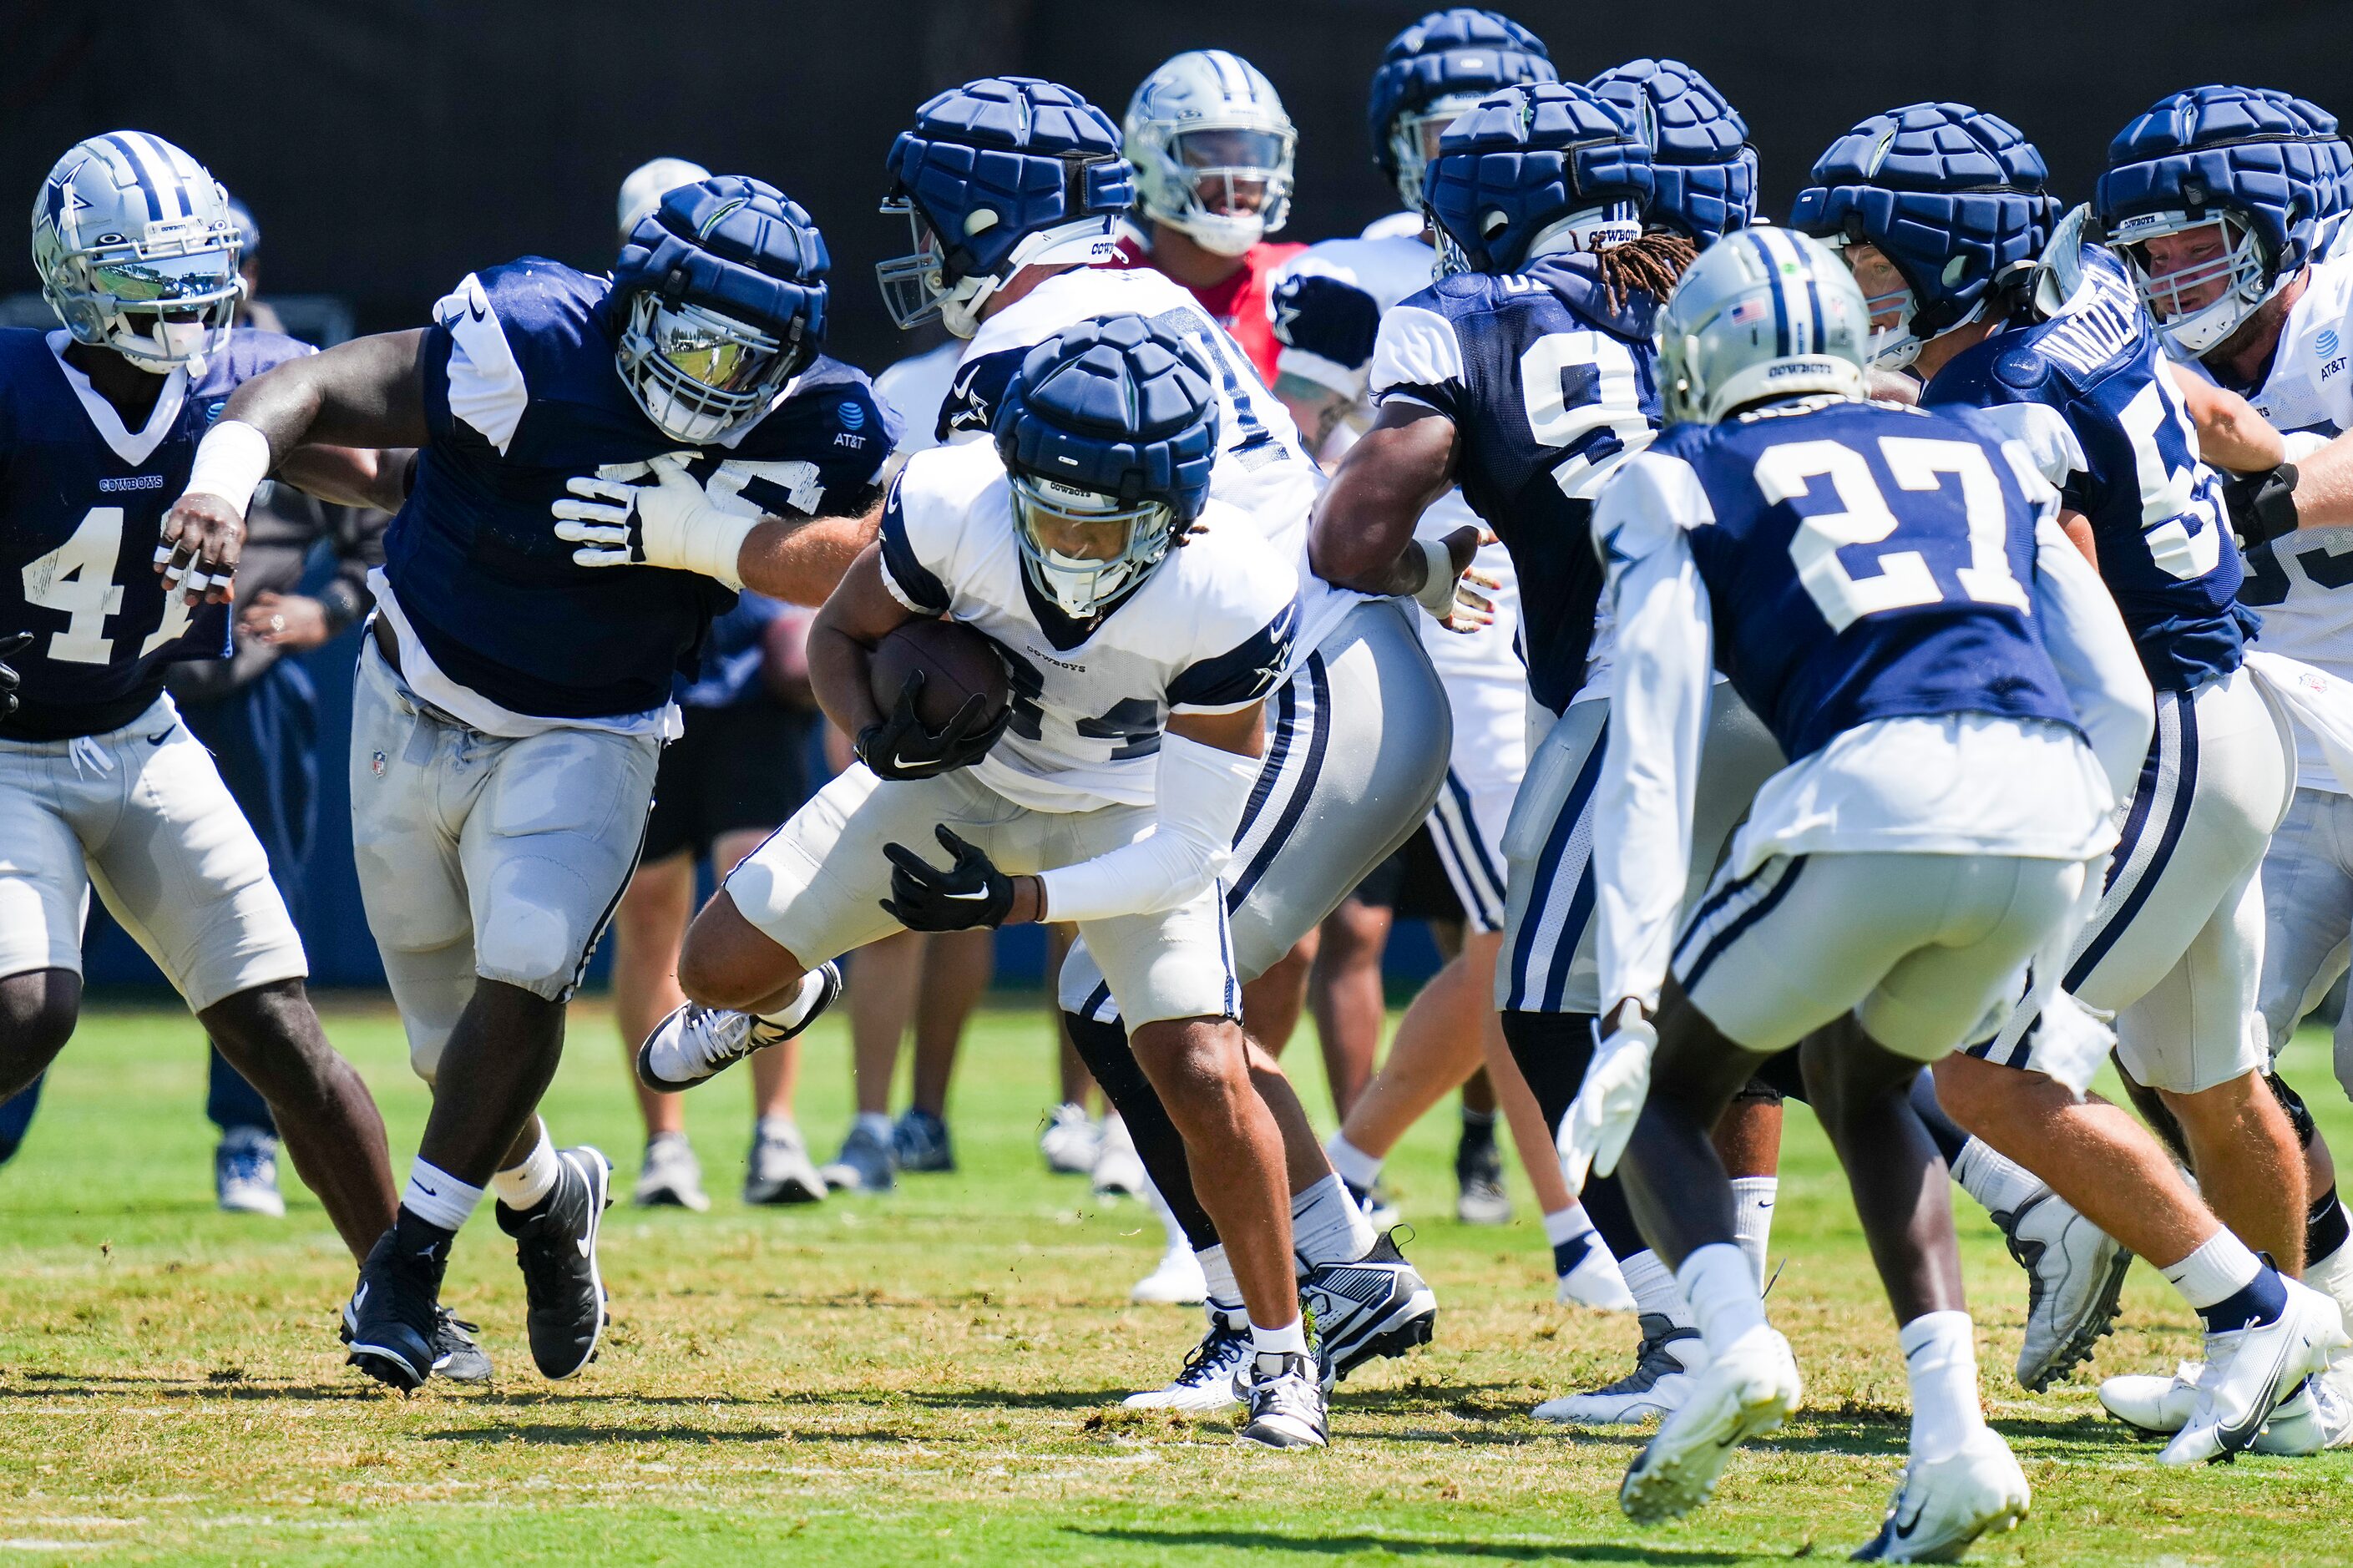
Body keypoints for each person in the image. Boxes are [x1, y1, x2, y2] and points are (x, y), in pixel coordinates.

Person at [169, 175, 893, 1389]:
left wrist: (702, 529)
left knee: (528, 968)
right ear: (634, 299)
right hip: (410, 692)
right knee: (445, 1051)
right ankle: (551, 1200)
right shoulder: (535, 333)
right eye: (695, 335)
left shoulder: (819, 418)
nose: (715, 375)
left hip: (595, 726)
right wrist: (225, 475)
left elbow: (878, 555)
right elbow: (320, 388)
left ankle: (407, 1265)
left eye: (747, 353)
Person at [1572, 226, 2201, 1553]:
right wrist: (2068, 896)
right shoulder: (1979, 441)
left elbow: (1651, 739)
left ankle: (1729, 1341)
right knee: (1860, 1079)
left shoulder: (1674, 472)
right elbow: (2110, 688)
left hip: (1872, 790)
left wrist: (1628, 988)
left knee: (1660, 1100)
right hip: (2044, 807)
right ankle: (1953, 1441)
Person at [645, 314, 1333, 1448]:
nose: (1063, 543)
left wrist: (1013, 906)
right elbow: (838, 637)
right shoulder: (953, 500)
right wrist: (875, 734)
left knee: (1201, 1065)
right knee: (709, 969)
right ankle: (786, 1000)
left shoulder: (1234, 588)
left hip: (1125, 807)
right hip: (954, 776)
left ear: (1177, 515)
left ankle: (1282, 1355)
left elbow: (1186, 854)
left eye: (1096, 523)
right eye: (1045, 506)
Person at [872, 74, 1450, 1410]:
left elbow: (1013, 586)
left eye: (924, 217)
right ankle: (1336, 1264)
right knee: (1148, 998)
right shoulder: (1133, 303)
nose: (912, 245)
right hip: (1322, 674)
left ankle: (1271, 1312)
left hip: (1306, 678)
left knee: (1126, 994)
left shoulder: (1027, 348)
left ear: (980, 212)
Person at [1791, 104, 2353, 1456]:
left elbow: (2066, 583)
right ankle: (2286, 1361)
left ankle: (2249, 1319)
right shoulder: (2090, 330)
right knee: (2212, 1079)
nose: (1852, 291)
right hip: (2241, 707)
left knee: (1982, 1067)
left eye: (1874, 265)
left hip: (2166, 728)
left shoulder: (2005, 386)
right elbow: (2201, 412)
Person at [1308, 79, 1794, 1428]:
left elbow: (1344, 540)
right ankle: (1728, 1292)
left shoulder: (1465, 310)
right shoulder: (1725, 289)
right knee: (1743, 1004)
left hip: (1622, 690)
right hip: (1793, 678)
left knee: (1544, 1008)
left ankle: (1684, 1324)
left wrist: (1422, 556)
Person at [2, 131, 417, 1353]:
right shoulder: (19, 389)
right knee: (27, 1009)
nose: (188, 299)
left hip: (140, 730)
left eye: (202, 268)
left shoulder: (241, 386)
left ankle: (399, 1297)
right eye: (152, 272)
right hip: (10, 745)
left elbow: (390, 475)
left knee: (279, 1027)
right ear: (79, 274)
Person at [2072, 81, 2353, 1445]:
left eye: (2193, 244)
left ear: (2288, 222)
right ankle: (2312, 1336)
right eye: (2142, 253)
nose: (2161, 278)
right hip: (2282, 730)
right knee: (2185, 1046)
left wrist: (2266, 476)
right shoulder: (2111, 331)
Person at [1267, 8, 1564, 1240]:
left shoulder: (1577, 271)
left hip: (1541, 627)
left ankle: (1345, 1174)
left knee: (1538, 932)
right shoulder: (1357, 273)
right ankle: (1574, 1231)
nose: (1479, 153)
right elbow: (1292, 455)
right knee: (1532, 932)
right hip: (1414, 633)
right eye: (1452, 130)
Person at [591, 159, 831, 1213]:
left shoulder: (793, 379)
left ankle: (777, 1131)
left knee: (768, 898)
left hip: (747, 674)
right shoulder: (588, 367)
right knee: (649, 912)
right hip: (641, 679)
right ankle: (666, 1142)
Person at [1111, 50, 1303, 384]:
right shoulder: (1098, 282)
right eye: (1211, 151)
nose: (1240, 175)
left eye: (1255, 154)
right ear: (1148, 155)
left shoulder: (1305, 281)